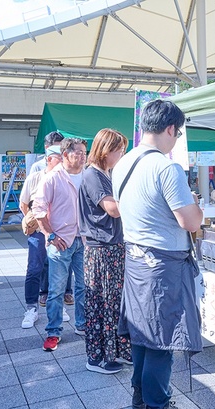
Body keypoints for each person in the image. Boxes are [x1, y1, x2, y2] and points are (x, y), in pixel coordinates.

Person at [112, 99, 203, 409]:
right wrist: (196, 205)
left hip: (136, 262)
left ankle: (140, 400)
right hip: (163, 266)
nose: (176, 139)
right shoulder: (166, 167)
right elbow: (190, 221)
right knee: (162, 344)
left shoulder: (122, 163)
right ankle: (157, 403)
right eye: (177, 133)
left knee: (142, 337)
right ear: (169, 129)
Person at [79, 128, 131, 374]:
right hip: (101, 249)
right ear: (105, 150)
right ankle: (97, 357)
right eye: (119, 150)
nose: (122, 154)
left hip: (111, 246)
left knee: (114, 302)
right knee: (102, 303)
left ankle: (116, 352)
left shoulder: (105, 173)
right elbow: (113, 209)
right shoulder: (93, 175)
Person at [33, 138, 86, 352]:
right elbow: (38, 209)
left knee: (84, 287)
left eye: (84, 153)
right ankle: (53, 331)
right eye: (78, 153)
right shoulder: (52, 178)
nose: (83, 157)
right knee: (55, 290)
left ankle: (82, 324)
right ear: (65, 155)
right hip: (61, 241)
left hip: (84, 239)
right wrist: (50, 234)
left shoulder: (88, 174)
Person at [19, 145, 72, 329]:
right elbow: (24, 203)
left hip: (59, 231)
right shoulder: (35, 177)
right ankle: (31, 308)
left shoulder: (67, 177)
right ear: (49, 159)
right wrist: (33, 221)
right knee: (34, 268)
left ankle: (58, 307)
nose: (64, 160)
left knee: (57, 270)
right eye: (59, 157)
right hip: (39, 232)